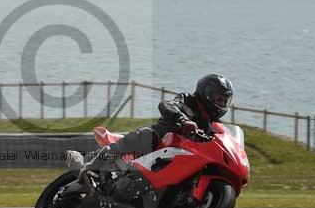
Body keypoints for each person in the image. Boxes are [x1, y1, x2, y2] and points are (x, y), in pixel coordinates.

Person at [66, 74, 234, 175]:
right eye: (219, 99)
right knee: (144, 137)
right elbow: (166, 105)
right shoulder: (187, 100)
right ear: (207, 94)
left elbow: (217, 139)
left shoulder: (211, 123)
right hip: (162, 137)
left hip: (183, 153)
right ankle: (87, 168)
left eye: (225, 101)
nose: (222, 104)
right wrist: (183, 120)